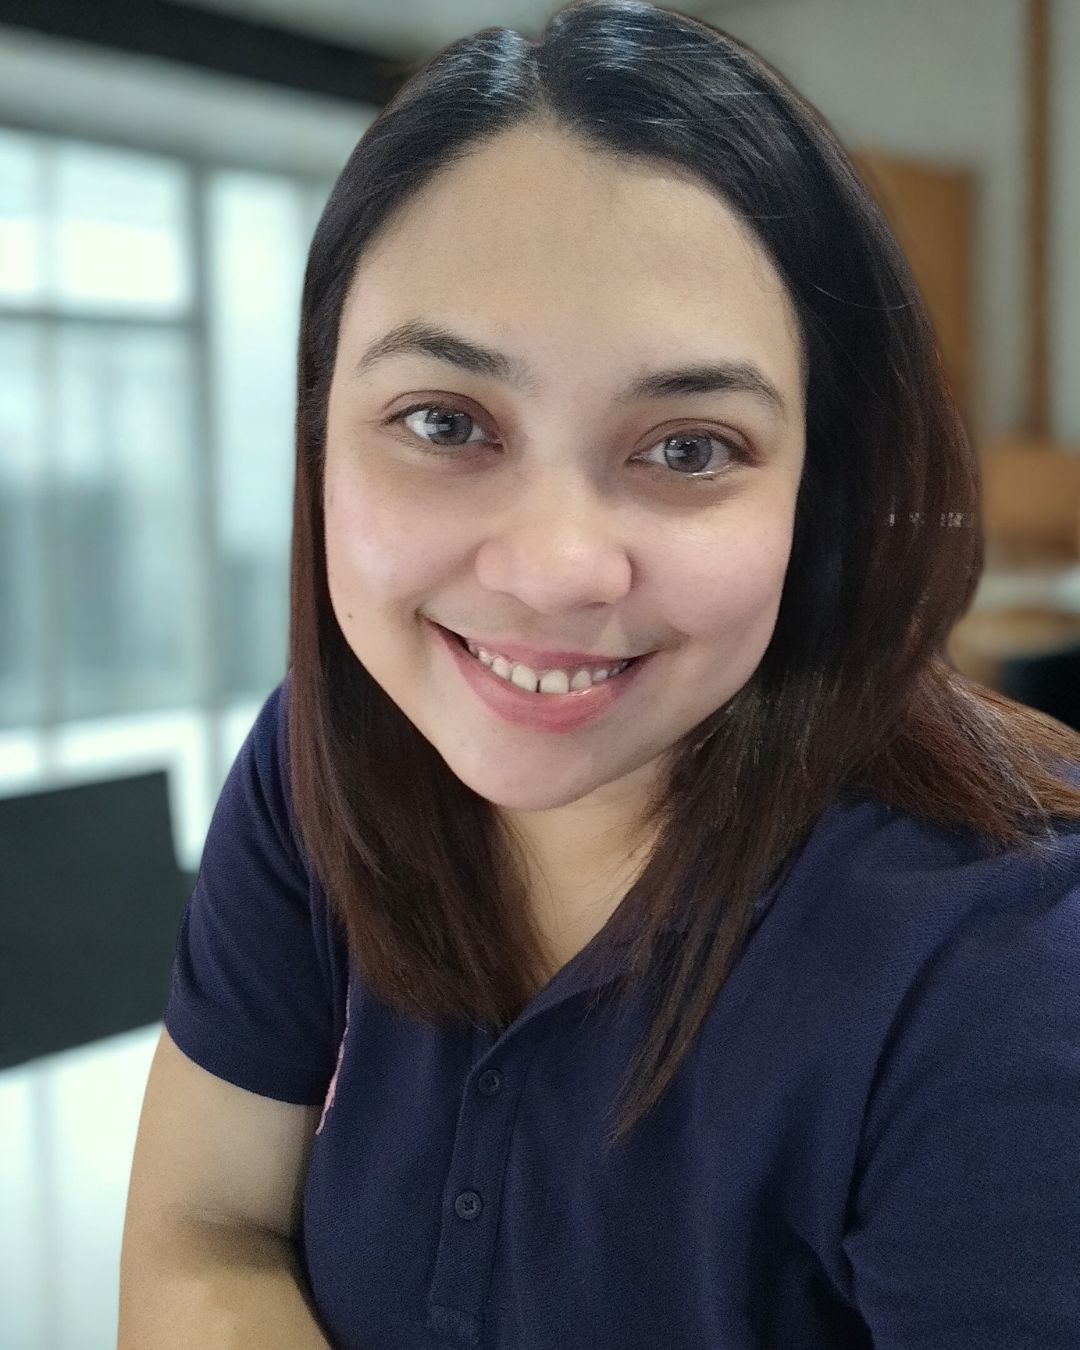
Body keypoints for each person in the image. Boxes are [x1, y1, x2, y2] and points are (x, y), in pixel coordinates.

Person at [119, 2, 1080, 1347]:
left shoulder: (1004, 965)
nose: (559, 567)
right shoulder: (322, 758)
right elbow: (197, 1230)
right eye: (445, 421)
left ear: (823, 489)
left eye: (688, 447)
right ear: (318, 436)